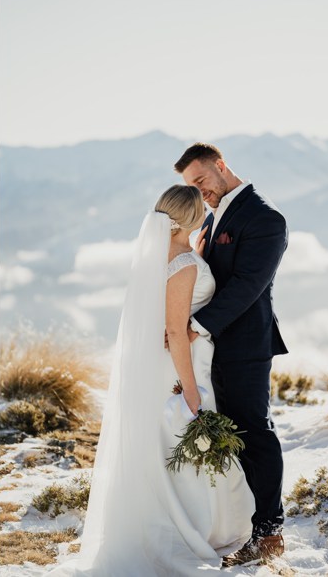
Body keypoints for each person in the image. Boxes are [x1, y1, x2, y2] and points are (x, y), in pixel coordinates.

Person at [48, 185, 254, 576]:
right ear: (192, 218)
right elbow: (175, 332)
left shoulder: (162, 259)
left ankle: (182, 521)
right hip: (181, 369)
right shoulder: (183, 265)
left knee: (168, 446)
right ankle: (187, 527)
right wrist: (190, 388)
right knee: (182, 444)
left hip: (174, 363)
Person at [176, 143, 289, 566]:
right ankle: (243, 524)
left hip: (245, 347)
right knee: (235, 435)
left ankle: (270, 532)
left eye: (201, 181)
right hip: (214, 349)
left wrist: (193, 327)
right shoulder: (213, 212)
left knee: (255, 433)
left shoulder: (265, 217)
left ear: (221, 166)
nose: (199, 192)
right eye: (191, 186)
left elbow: (247, 285)